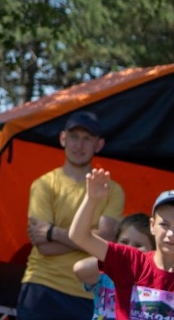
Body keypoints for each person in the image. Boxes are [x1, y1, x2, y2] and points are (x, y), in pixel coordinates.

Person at [16, 111, 125, 320]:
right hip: (41, 285)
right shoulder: (44, 185)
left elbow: (107, 241)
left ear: (99, 145)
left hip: (88, 293)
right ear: (63, 138)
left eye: (87, 139)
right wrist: (89, 239)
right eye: (74, 137)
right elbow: (44, 246)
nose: (79, 145)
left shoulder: (112, 190)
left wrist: (53, 232)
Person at [70, 175, 174, 320]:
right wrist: (91, 199)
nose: (171, 234)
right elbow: (79, 236)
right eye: (164, 224)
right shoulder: (130, 260)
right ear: (152, 226)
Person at [73, 213, 154, 320]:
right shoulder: (107, 272)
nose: (129, 249)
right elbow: (80, 269)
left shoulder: (154, 278)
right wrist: (114, 257)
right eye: (124, 242)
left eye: (138, 245)